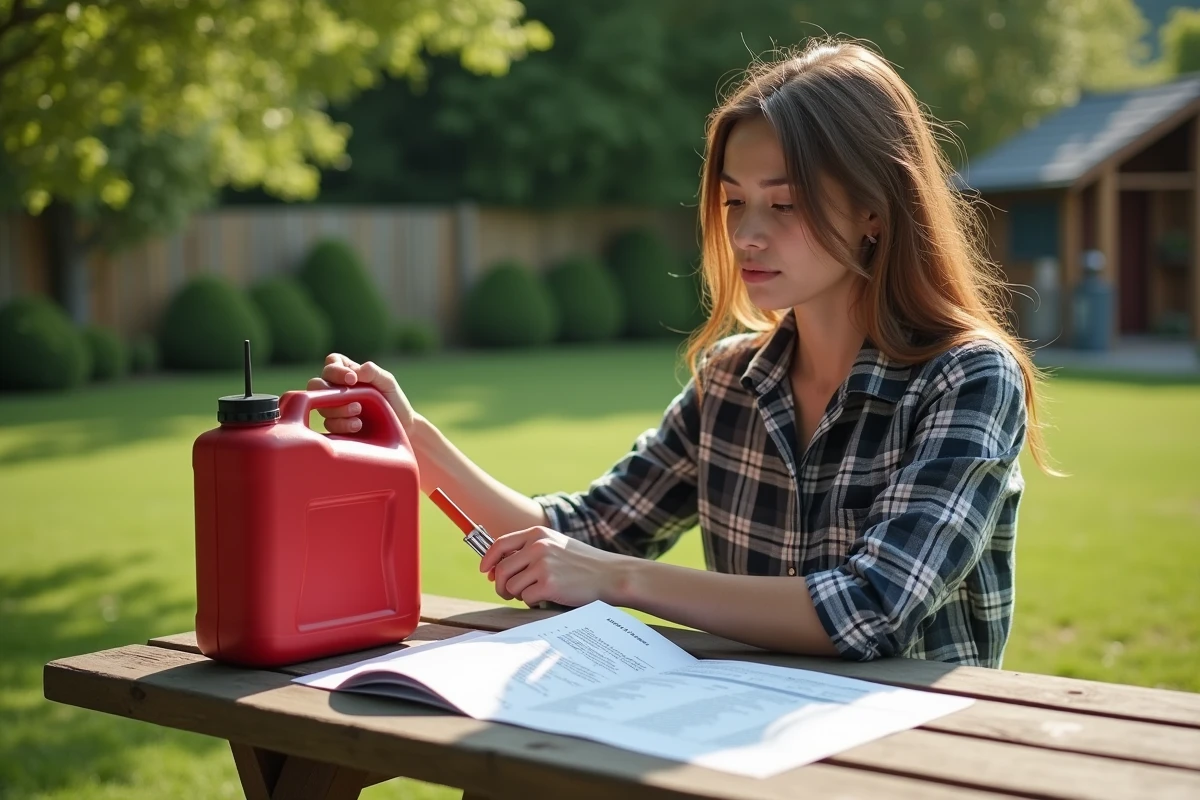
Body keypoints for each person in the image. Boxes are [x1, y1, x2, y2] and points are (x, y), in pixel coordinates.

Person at [308, 39, 1053, 668]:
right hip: (743, 746)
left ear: (873, 212)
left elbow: (873, 609)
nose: (747, 234)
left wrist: (619, 581)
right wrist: (414, 441)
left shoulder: (966, 377)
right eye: (733, 202)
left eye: (784, 204)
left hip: (916, 753)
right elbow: (582, 537)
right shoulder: (729, 380)